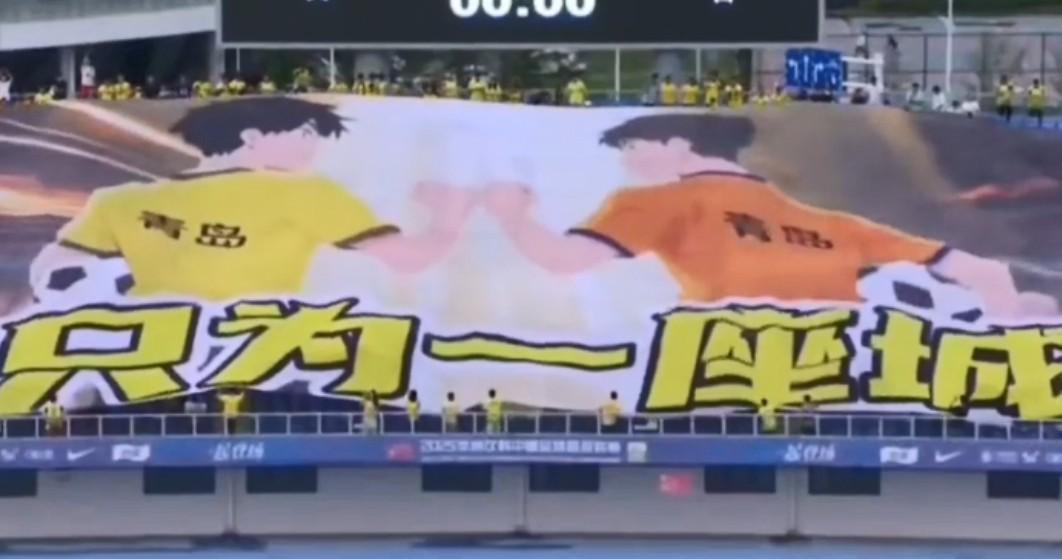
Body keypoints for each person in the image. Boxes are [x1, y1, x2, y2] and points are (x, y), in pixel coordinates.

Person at [482, 113, 1051, 318]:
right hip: (834, 377)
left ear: (680, 145)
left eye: (634, 148)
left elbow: (562, 260)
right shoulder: (831, 223)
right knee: (1037, 305)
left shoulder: (655, 204)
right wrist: (1003, 326)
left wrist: (511, 215)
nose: (629, 162)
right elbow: (984, 271)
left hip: (723, 376)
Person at [34, 98, 477, 301]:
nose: (314, 148)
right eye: (305, 134)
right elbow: (410, 258)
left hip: (149, 352)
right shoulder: (304, 192)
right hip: (257, 351)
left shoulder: (120, 201)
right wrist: (450, 217)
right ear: (251, 137)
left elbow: (51, 271)